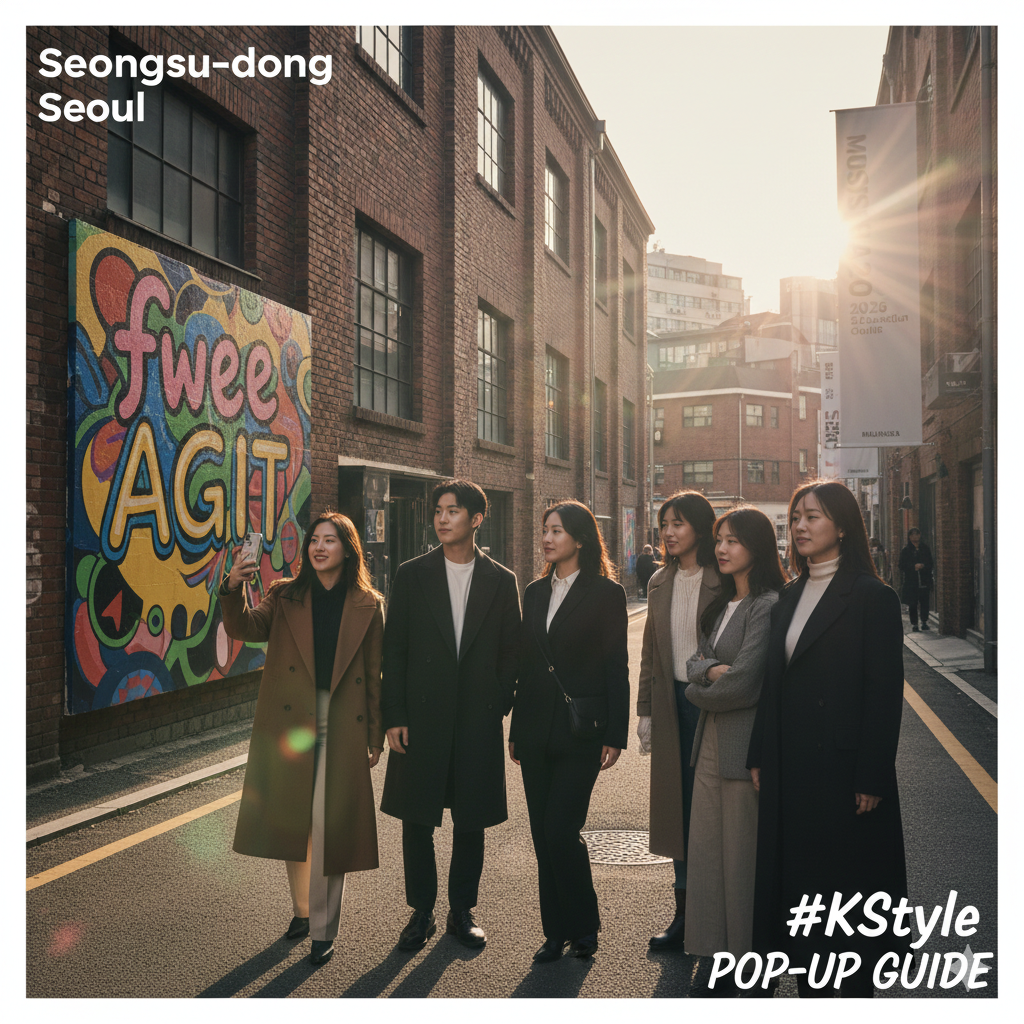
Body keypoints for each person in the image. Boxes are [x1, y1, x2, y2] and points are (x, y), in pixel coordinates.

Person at [747, 481, 908, 998]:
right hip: (791, 768)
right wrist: (758, 753)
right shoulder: (788, 596)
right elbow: (774, 683)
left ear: (842, 526)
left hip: (844, 773)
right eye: (795, 518)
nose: (799, 527)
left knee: (848, 900)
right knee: (801, 897)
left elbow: (884, 693)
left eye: (812, 517)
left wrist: (872, 774)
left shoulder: (871, 597)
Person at [221, 511, 384, 966]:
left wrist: (375, 736)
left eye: (329, 541)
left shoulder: (368, 603)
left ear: (347, 549)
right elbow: (245, 628)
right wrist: (233, 586)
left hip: (341, 722)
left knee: (329, 825)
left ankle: (323, 928)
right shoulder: (284, 595)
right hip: (292, 725)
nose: (318, 547)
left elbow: (374, 675)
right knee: (296, 822)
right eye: (314, 540)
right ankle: (304, 911)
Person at [380, 479, 520, 952]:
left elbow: (510, 652)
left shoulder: (501, 580)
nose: (442, 518)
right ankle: (420, 912)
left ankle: (462, 910)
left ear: (476, 519)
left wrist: (495, 702)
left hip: (476, 719)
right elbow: (393, 650)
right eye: (438, 510)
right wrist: (393, 713)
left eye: (453, 510)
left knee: (471, 818)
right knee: (416, 819)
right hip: (419, 717)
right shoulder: (411, 574)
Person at [509, 500, 629, 963]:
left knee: (562, 829)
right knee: (543, 834)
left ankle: (584, 927)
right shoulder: (535, 592)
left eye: (557, 530)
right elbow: (525, 665)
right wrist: (516, 730)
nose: (547, 537)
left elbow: (614, 666)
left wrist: (614, 734)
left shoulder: (606, 593)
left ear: (580, 538)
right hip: (536, 728)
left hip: (582, 730)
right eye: (545, 529)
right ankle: (554, 931)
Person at [682, 507, 786, 996]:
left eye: (734, 541)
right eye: (719, 539)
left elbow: (744, 684)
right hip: (709, 743)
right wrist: (707, 673)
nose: (722, 548)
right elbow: (694, 664)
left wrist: (704, 676)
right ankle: (714, 949)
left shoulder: (767, 604)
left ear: (757, 547)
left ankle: (748, 959)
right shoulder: (721, 604)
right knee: (705, 851)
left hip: (744, 748)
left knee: (741, 855)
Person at [636, 491, 722, 950]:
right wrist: (645, 709)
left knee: (714, 810)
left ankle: (719, 914)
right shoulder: (658, 582)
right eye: (664, 523)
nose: (668, 532)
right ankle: (683, 914)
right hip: (672, 704)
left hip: (714, 704)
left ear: (701, 528)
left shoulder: (724, 576)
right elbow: (651, 651)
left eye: (678, 523)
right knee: (678, 811)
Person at [899, 528, 934, 632]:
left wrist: (923, 566)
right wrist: (913, 567)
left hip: (924, 580)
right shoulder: (906, 551)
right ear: (909, 537)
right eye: (913, 535)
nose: (915, 537)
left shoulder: (925, 549)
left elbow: (930, 563)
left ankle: (924, 621)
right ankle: (914, 623)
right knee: (913, 604)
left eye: (917, 534)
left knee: (925, 602)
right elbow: (901, 565)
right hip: (912, 582)